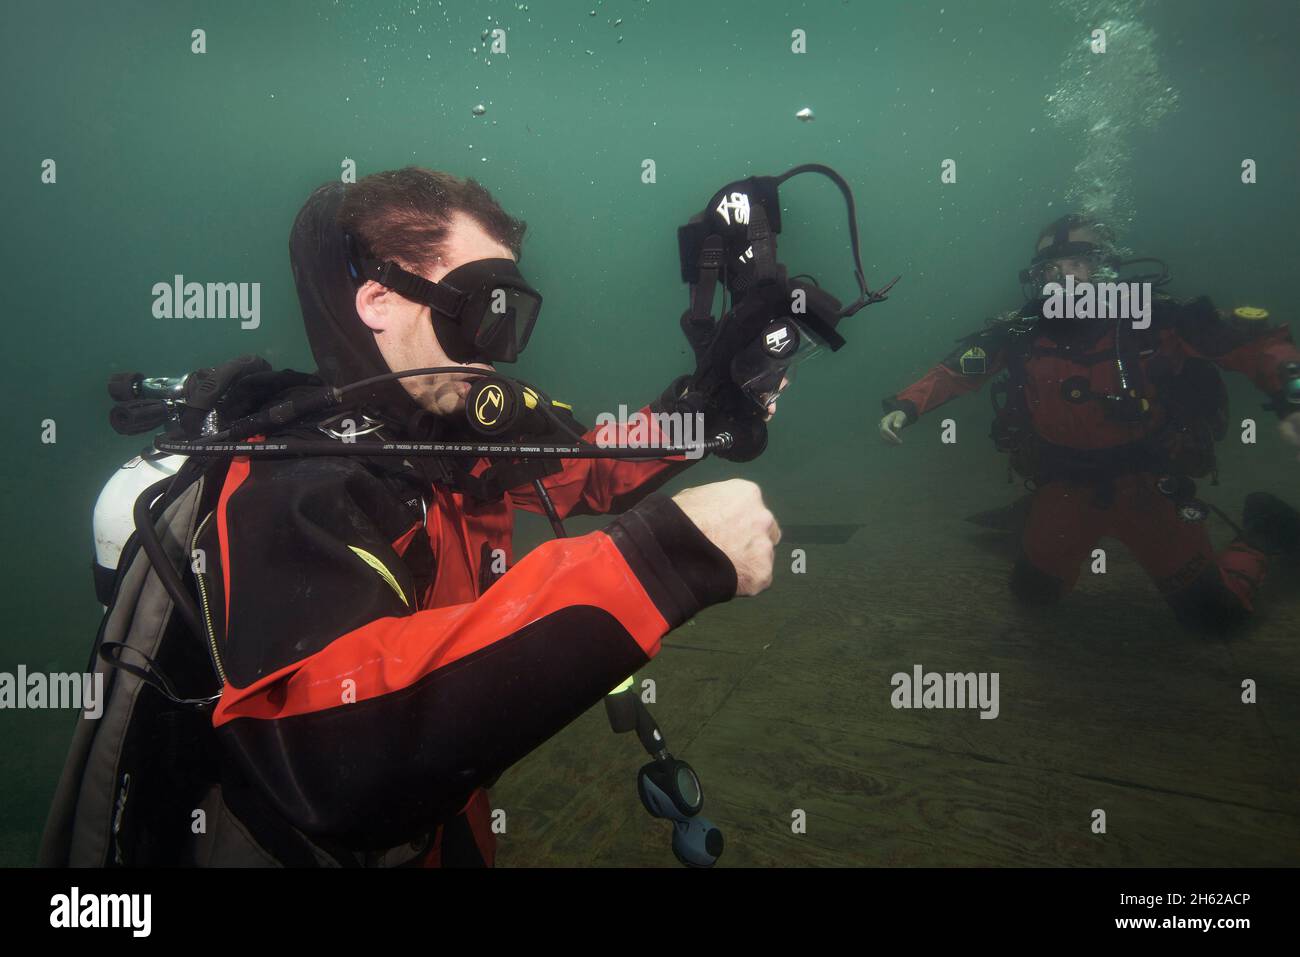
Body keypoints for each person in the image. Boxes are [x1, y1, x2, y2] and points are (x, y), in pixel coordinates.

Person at [188, 168, 781, 866]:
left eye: (509, 319)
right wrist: (660, 560)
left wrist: (708, 409)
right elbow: (325, 756)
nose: (494, 353)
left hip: (453, 821)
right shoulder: (291, 480)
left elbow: (588, 470)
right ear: (377, 300)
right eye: (474, 315)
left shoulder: (451, 435)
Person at [878, 212, 1300, 634]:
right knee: (1033, 595)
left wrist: (1292, 397)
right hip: (1064, 486)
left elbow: (1254, 344)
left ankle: (1264, 532)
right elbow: (957, 371)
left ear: (1104, 265)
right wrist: (907, 406)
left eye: (1076, 262)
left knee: (1214, 618)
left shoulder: (1155, 318)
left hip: (1147, 486)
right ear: (1037, 276)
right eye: (1050, 267)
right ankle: (1035, 525)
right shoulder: (1021, 330)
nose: (1062, 276)